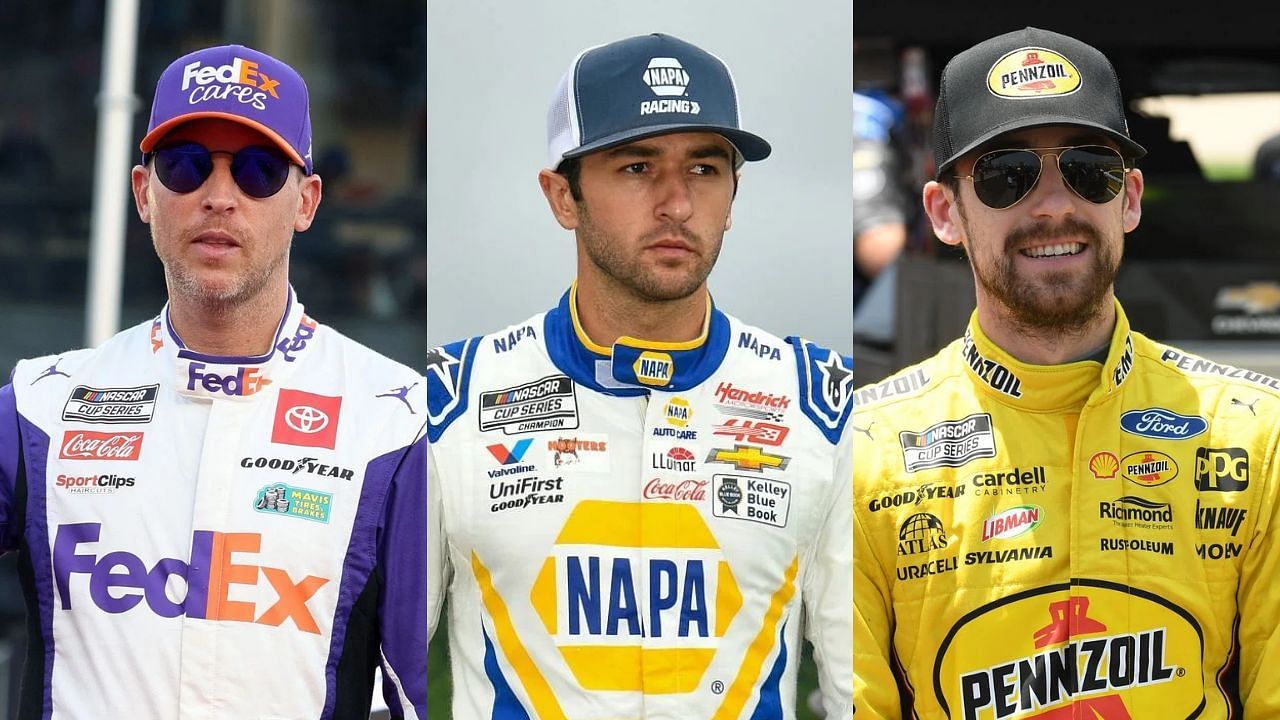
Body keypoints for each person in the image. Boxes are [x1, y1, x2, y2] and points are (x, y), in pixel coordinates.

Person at [853, 27, 1280, 718]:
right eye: (1005, 176)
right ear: (944, 212)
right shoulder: (866, 451)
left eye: (1090, 169)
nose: (1054, 204)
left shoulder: (1259, 438)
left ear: (1130, 198)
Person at [426, 32, 853, 720]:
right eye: (636, 167)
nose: (677, 204)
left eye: (706, 170)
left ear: (734, 195)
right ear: (563, 196)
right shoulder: (451, 400)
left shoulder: (819, 406)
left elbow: (858, 694)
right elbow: (383, 676)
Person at [0, 45, 426, 719]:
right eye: (186, 166)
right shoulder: (40, 408)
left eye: (258, 171)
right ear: (144, 193)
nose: (219, 197)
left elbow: (421, 693)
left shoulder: (395, 424)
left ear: (305, 202)